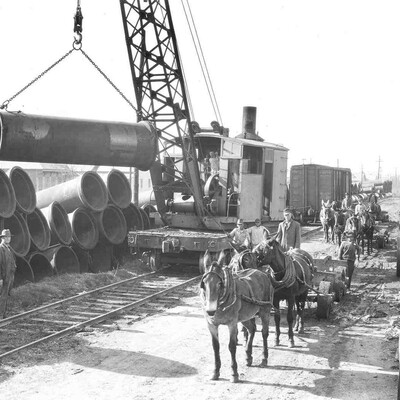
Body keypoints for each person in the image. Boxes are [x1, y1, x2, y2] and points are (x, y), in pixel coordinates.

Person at [0, 229, 17, 319]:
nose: (8, 239)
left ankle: (4, 314)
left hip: (9, 276)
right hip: (3, 276)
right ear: (2, 238)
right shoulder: (1, 249)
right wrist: (0, 279)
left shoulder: (9, 248)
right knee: (2, 295)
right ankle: (1, 315)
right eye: (6, 237)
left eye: (9, 237)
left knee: (6, 295)